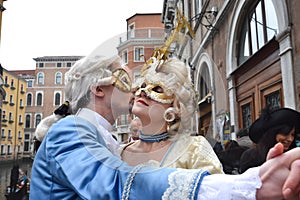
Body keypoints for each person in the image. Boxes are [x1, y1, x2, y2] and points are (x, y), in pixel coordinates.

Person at [29, 53, 300, 200]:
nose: (139, 90)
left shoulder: (192, 147)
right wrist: (246, 186)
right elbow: (115, 184)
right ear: (98, 89)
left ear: (175, 107)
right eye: (131, 81)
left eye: (156, 89)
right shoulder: (74, 132)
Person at [120, 57, 223, 174]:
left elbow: (216, 189)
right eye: (142, 85)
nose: (143, 92)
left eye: (158, 90)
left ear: (175, 106)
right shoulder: (119, 153)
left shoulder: (193, 150)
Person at [240, 107, 300, 173]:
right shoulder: (251, 157)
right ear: (272, 134)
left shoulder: (295, 156)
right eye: (285, 133)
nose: (290, 139)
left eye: (292, 135)